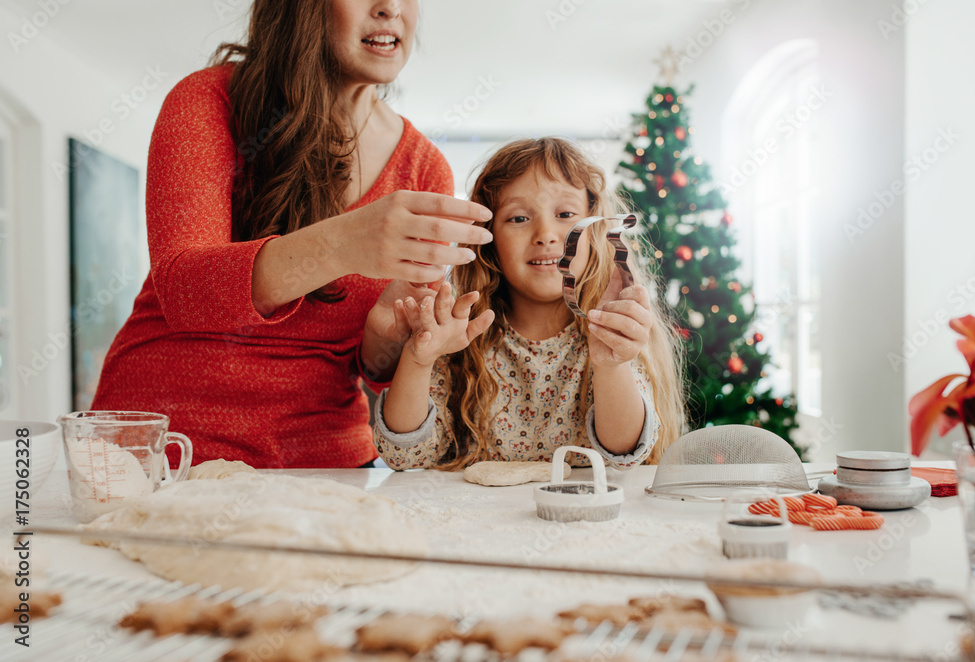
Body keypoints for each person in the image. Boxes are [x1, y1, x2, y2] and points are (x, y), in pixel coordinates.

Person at [90, 0, 494, 469]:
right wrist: (344, 242)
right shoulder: (210, 99)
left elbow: (380, 371)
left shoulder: (424, 167)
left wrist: (387, 337)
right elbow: (184, 291)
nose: (390, 8)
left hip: (322, 456)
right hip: (166, 449)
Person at [373, 138, 686, 470]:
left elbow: (624, 454)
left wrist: (610, 366)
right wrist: (418, 360)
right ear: (488, 241)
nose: (546, 234)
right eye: (519, 218)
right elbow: (403, 456)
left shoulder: (612, 330)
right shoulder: (456, 334)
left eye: (566, 214)